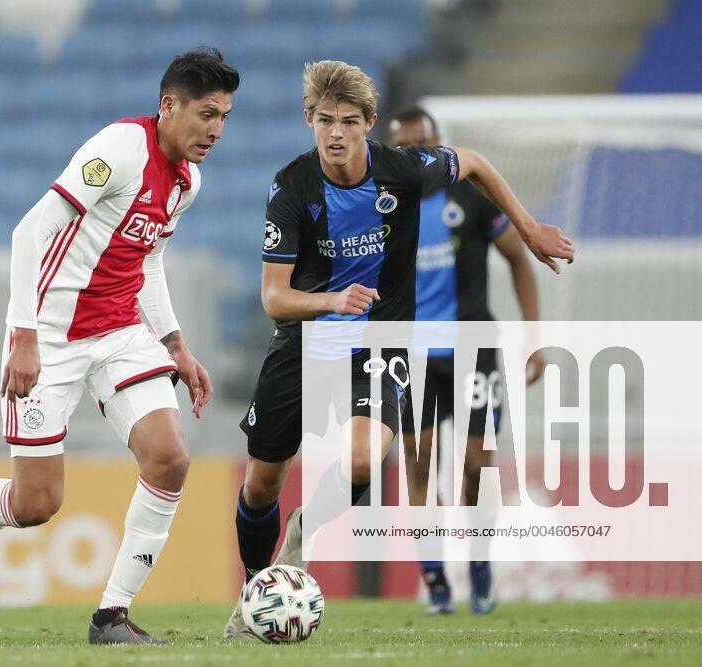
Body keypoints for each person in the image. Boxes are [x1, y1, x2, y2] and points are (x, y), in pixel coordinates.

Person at [0, 47, 238, 645]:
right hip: (49, 337)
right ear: (169, 106)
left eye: (224, 116)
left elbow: (148, 260)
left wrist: (174, 343)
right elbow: (29, 231)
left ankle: (111, 616)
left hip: (121, 333)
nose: (216, 129)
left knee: (170, 457)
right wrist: (23, 334)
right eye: (206, 113)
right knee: (38, 503)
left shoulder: (187, 183)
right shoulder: (120, 150)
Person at [225, 60, 573, 637]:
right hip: (305, 341)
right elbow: (274, 298)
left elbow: (478, 163)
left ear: (370, 124)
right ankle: (258, 588)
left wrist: (530, 229)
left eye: (350, 122)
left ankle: (305, 533)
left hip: (382, 342)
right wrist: (331, 301)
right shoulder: (291, 188)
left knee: (365, 457)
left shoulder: (404, 171)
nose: (337, 133)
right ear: (309, 120)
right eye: (326, 121)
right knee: (262, 483)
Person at [388, 106, 546, 615]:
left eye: (422, 146)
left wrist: (533, 336)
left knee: (477, 464)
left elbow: (519, 258)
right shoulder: (384, 209)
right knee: (420, 466)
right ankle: (435, 580)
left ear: (439, 146)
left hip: (474, 350)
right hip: (413, 356)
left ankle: (479, 565)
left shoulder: (473, 199)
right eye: (404, 149)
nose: (416, 157)